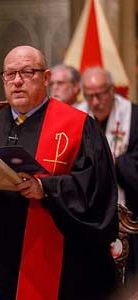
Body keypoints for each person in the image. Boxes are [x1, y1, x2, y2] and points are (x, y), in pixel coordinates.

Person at [0, 46, 118, 299]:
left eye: (28, 72)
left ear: (46, 78)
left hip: (57, 261)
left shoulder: (77, 127)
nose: (17, 81)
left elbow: (97, 193)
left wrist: (46, 189)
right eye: (10, 74)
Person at [77, 67, 138, 283]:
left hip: (129, 215)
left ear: (112, 90)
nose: (95, 101)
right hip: (89, 217)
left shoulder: (133, 116)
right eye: (89, 95)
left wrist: (118, 163)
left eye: (101, 94)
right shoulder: (75, 118)